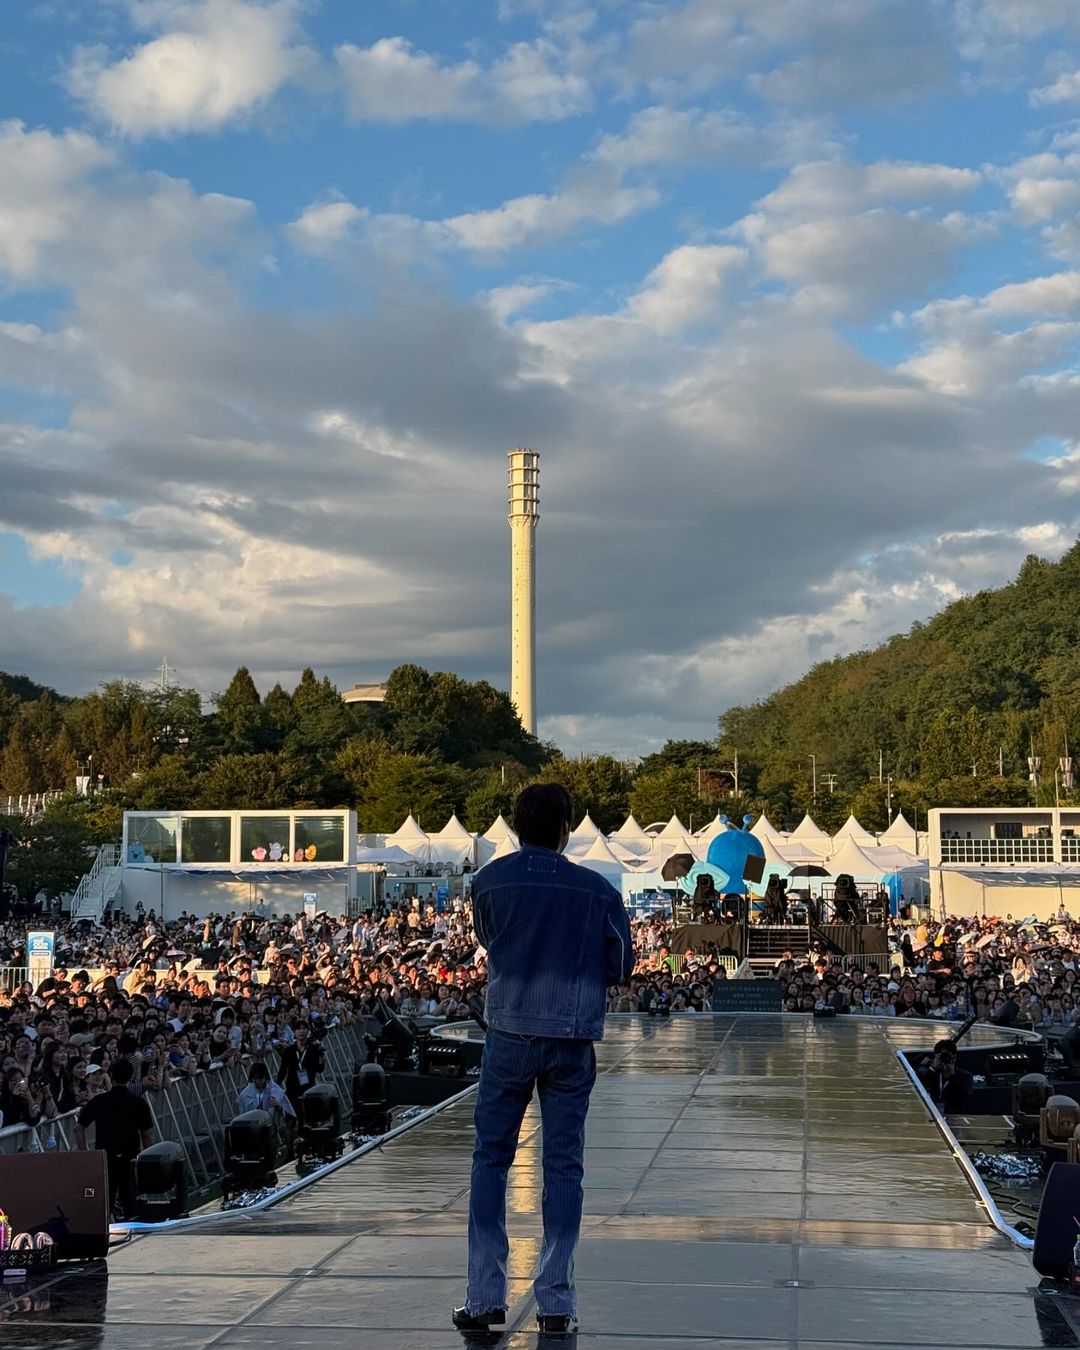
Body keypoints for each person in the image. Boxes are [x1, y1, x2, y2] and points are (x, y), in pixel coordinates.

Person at [454, 784, 634, 1338]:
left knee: (491, 1161)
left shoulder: (490, 881)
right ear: (567, 829)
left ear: (515, 824)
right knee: (562, 1166)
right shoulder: (597, 890)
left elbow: (490, 939)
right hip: (572, 1037)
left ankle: (484, 1296)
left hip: (509, 1030)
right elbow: (622, 963)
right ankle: (555, 1300)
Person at [74, 1057, 155, 1220]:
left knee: (105, 1202)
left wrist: (85, 1153)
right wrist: (146, 1161)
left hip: (104, 1158)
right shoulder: (138, 1103)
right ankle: (132, 1231)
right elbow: (147, 1136)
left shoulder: (99, 1101)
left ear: (111, 1076)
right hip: (131, 1158)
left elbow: (79, 1128)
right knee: (129, 1202)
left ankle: (106, 1234)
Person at [916, 1040, 973, 1113]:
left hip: (953, 1113)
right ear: (936, 1057)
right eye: (941, 1056)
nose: (944, 1059)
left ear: (954, 1057)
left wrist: (951, 1076)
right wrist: (933, 1069)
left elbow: (962, 1099)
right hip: (930, 1112)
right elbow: (919, 1089)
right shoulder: (928, 1073)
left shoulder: (965, 1076)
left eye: (947, 1056)